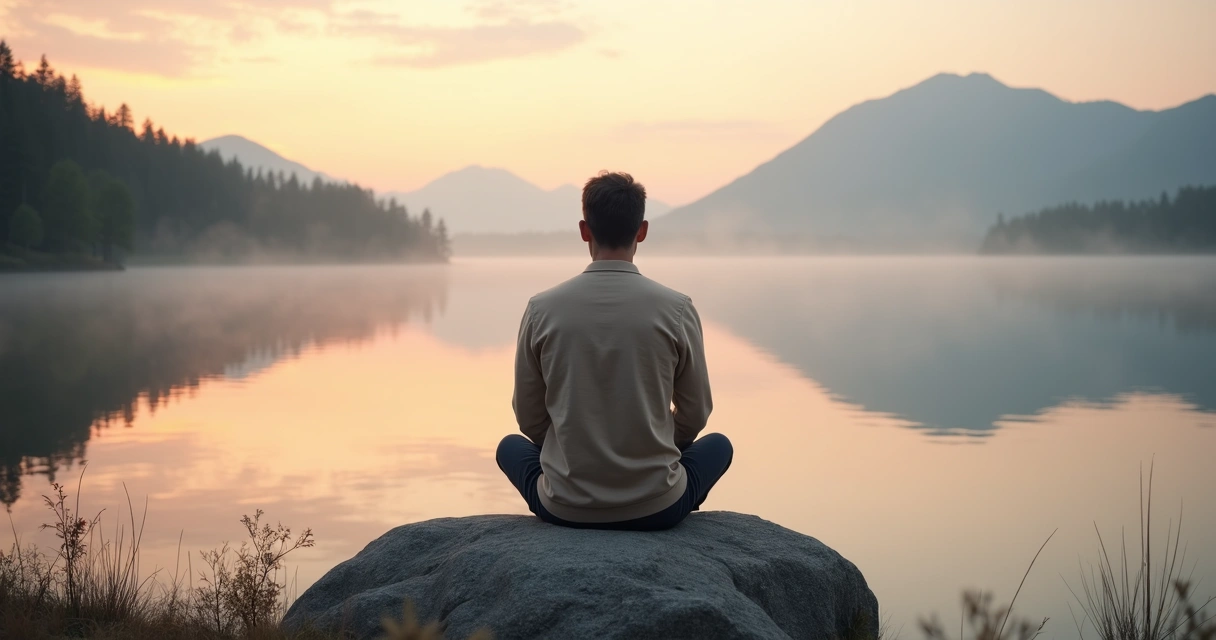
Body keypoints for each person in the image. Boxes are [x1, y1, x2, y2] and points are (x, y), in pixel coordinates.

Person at [496, 171, 733, 531]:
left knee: (510, 447)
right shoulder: (677, 309)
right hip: (659, 507)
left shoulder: (541, 309)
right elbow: (696, 413)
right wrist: (659, 441)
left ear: (584, 230)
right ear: (642, 231)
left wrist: (572, 448)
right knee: (719, 446)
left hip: (565, 508)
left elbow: (528, 418)